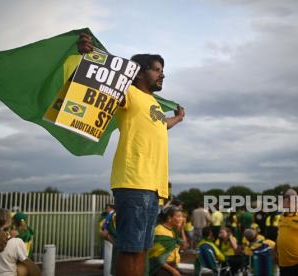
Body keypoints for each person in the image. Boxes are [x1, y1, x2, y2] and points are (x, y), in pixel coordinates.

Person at [78, 33, 185, 276]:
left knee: (143, 249)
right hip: (133, 181)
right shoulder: (129, 93)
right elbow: (102, 82)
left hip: (153, 186)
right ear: (138, 73)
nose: (162, 74)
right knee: (130, 249)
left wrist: (177, 118)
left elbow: (160, 125)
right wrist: (88, 57)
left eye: (162, 70)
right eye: (157, 70)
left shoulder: (154, 103)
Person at [148, 205, 188, 276]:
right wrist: (173, 271)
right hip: (160, 268)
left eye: (182, 216)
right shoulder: (159, 231)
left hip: (172, 266)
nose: (182, 219)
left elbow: (185, 246)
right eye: (179, 216)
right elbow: (157, 259)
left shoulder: (173, 230)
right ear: (169, 218)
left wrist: (182, 230)